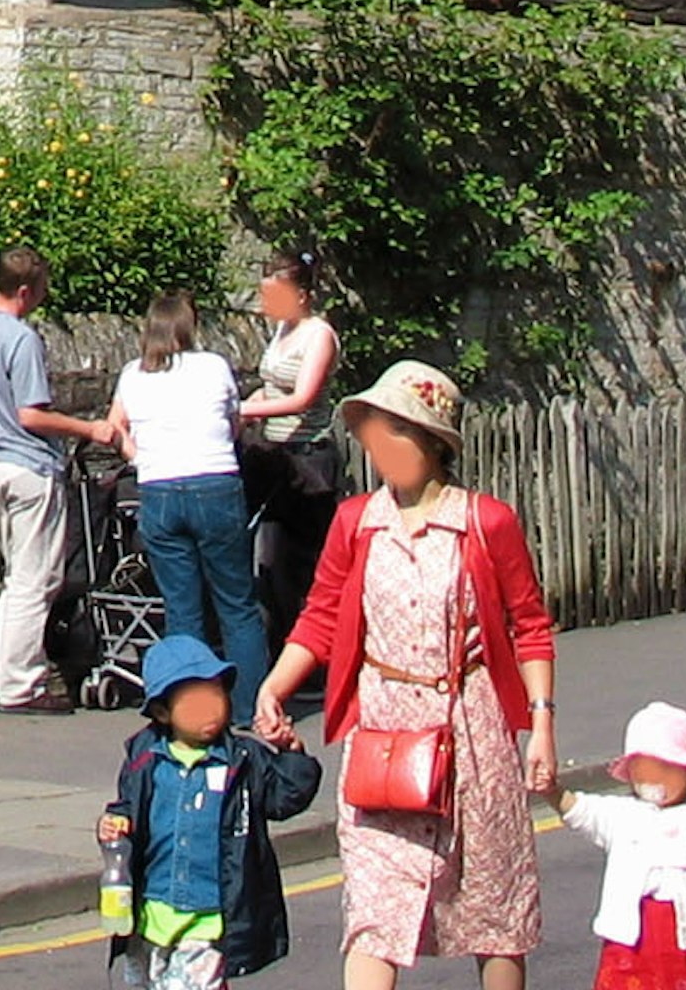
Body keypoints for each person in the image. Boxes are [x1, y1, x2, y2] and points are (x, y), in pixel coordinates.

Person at [254, 360, 558, 990]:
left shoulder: (485, 522)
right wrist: (274, 686)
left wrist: (542, 725)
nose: (382, 449)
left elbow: (530, 625)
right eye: (375, 432)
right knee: (374, 911)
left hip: (471, 736)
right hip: (383, 737)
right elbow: (321, 614)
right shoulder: (356, 522)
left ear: (434, 444)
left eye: (398, 433)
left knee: (492, 904)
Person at [97, 633, 322, 986]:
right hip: (151, 912)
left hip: (209, 914)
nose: (211, 708)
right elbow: (127, 804)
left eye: (216, 694)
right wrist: (115, 822)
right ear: (161, 711)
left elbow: (287, 797)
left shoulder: (243, 759)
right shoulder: (145, 759)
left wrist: (292, 751)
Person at [98, 293, 269, 723]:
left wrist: (139, 456)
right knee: (236, 604)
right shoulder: (213, 365)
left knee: (182, 607)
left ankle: (191, 710)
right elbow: (233, 423)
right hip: (215, 483)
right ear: (188, 326)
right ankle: (248, 708)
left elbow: (112, 428)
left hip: (159, 490)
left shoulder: (133, 375)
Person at [0, 244, 107, 716]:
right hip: (27, 468)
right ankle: (21, 685)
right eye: (40, 291)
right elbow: (30, 415)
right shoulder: (20, 339)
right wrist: (90, 429)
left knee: (18, 577)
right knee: (38, 580)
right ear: (25, 291)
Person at [548, 701, 686, 987]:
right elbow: (580, 810)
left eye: (664, 768)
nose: (652, 780)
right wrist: (551, 791)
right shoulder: (623, 816)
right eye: (642, 770)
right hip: (632, 943)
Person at [239, 256, 343, 653]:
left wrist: (242, 411)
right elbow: (271, 389)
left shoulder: (319, 335)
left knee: (303, 558)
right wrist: (241, 407)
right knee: (270, 557)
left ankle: (318, 654)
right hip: (276, 453)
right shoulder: (281, 330)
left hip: (308, 458)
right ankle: (285, 647)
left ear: (302, 296)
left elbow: (302, 398)